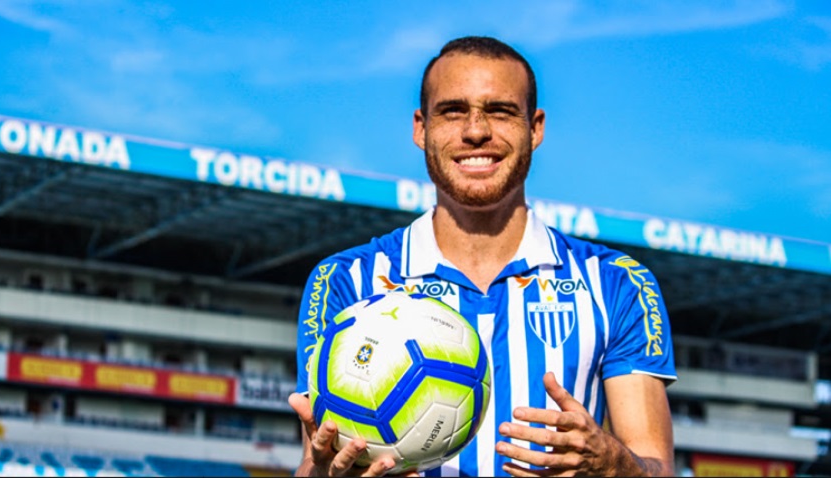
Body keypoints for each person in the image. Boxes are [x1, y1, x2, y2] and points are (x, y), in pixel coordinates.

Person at [289, 36, 676, 477]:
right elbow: (311, 462)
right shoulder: (346, 279)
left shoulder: (617, 283)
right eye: (453, 111)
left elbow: (657, 466)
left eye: (500, 111)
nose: (476, 131)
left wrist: (613, 465)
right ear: (421, 128)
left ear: (536, 128)